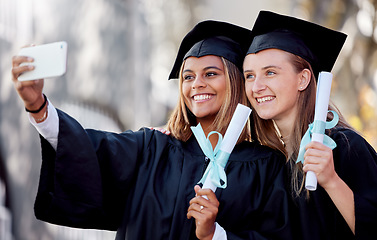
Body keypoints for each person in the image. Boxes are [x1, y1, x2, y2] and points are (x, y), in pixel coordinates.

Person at [12, 20, 292, 239]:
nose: (197, 84)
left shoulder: (267, 167)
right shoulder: (153, 148)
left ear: (234, 81)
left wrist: (215, 234)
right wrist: (38, 107)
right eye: (188, 76)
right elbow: (89, 148)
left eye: (210, 74)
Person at [243, 10, 377, 240]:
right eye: (249, 76)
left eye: (270, 72)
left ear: (303, 79)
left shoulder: (343, 146)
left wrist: (331, 180)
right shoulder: (273, 161)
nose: (256, 87)